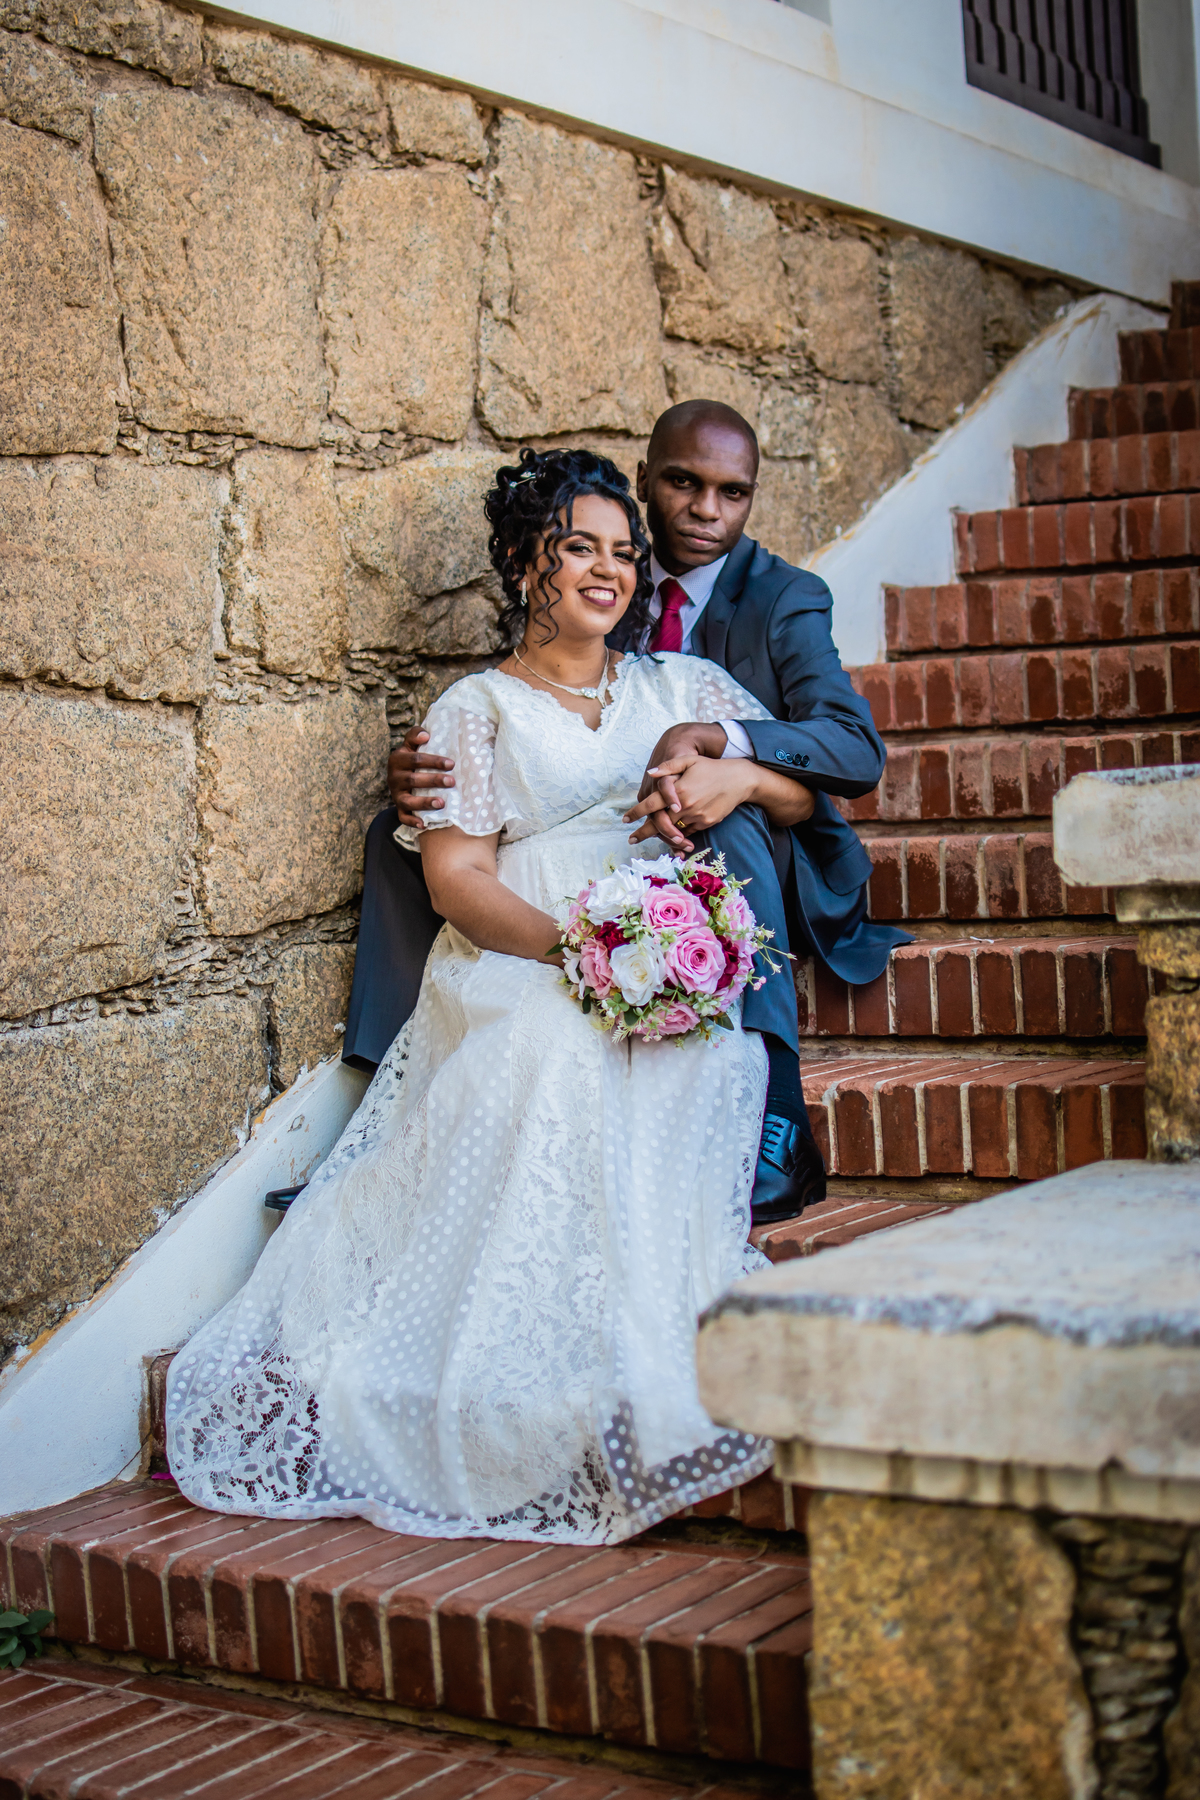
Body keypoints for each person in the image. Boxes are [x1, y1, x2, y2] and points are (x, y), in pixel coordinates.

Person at [166, 448, 817, 1544]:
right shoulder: (475, 711)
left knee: (719, 1053)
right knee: (550, 1052)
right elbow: (458, 880)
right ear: (527, 565)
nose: (605, 572)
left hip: (667, 957)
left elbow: (797, 795)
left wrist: (738, 780)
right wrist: (582, 954)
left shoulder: (681, 686)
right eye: (578, 548)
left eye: (622, 552)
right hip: (529, 952)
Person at [356, 401, 906, 1221]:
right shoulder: (499, 684)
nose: (706, 510)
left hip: (729, 873)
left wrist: (740, 766)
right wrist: (581, 946)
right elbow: (477, 830)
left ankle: (778, 1108)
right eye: (682, 485)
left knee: (735, 813)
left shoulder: (757, 619)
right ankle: (390, 1121)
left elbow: (845, 759)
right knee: (410, 837)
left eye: (732, 492)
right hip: (564, 915)